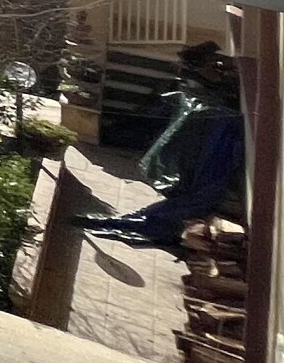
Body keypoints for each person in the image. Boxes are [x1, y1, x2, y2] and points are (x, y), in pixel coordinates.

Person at [78, 42, 244, 248]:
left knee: (178, 207)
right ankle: (128, 222)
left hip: (198, 176)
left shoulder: (215, 90)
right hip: (195, 167)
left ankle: (132, 223)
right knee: (175, 206)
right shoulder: (205, 92)